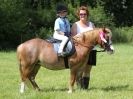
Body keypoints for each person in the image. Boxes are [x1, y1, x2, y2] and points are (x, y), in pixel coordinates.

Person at [71, 6, 96, 89]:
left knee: (88, 70)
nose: (82, 15)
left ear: (87, 14)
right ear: (78, 15)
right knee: (80, 70)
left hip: (92, 51)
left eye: (84, 14)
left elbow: (96, 37)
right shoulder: (75, 25)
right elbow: (73, 38)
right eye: (81, 14)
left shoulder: (92, 24)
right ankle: (79, 88)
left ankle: (85, 88)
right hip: (80, 53)